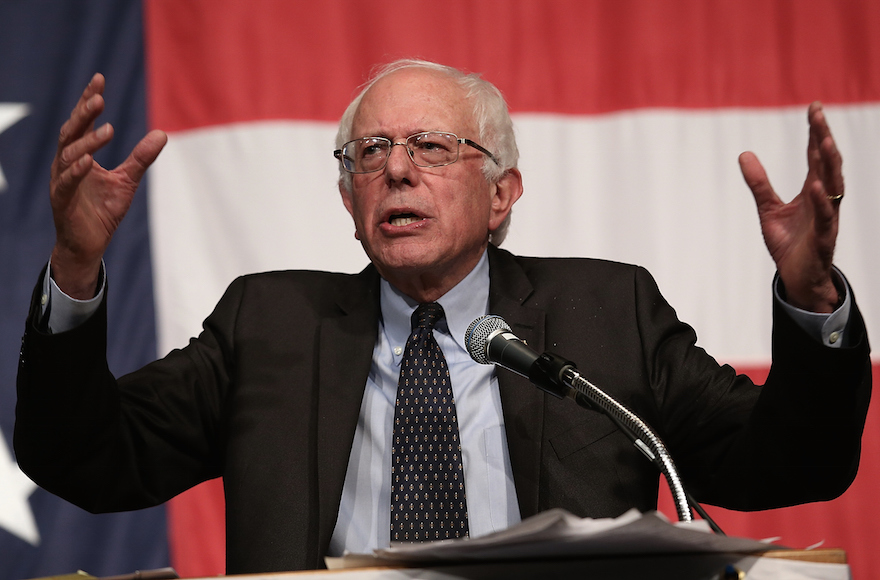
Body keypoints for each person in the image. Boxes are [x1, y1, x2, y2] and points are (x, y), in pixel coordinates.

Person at [15, 60, 871, 573]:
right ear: (349, 199)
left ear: (503, 195)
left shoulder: (608, 312)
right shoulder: (268, 323)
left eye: (431, 147)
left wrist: (811, 298)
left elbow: (788, 463)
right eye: (371, 153)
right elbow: (88, 458)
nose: (397, 171)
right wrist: (77, 266)